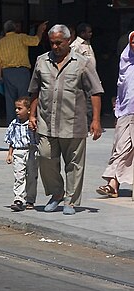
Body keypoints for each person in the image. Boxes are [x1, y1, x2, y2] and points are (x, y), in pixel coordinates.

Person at [28, 24, 104, 215]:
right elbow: (35, 90)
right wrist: (32, 114)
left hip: (73, 122)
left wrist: (96, 120)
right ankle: (57, 193)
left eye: (59, 43)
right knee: (45, 157)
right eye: (52, 43)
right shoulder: (41, 61)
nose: (55, 47)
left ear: (68, 41)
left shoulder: (82, 62)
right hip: (47, 122)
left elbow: (95, 92)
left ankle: (70, 201)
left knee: (74, 164)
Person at [98, 30, 134, 199]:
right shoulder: (125, 63)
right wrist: (117, 110)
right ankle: (113, 184)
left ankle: (113, 184)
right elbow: (122, 89)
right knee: (120, 148)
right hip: (126, 111)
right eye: (132, 42)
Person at [0, 19, 47, 123]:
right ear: (15, 28)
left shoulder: (0, 43)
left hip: (7, 72)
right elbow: (36, 41)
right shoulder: (21, 37)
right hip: (21, 72)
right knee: (23, 98)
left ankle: (11, 122)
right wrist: (40, 31)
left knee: (10, 99)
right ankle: (24, 121)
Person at [4, 96, 37, 211]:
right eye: (16, 108)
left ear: (28, 110)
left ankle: (30, 199)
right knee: (19, 176)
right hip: (19, 151)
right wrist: (10, 154)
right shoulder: (14, 124)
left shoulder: (33, 123)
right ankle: (18, 199)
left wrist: (34, 129)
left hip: (31, 151)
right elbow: (12, 140)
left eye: (20, 108)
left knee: (32, 176)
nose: (17, 111)